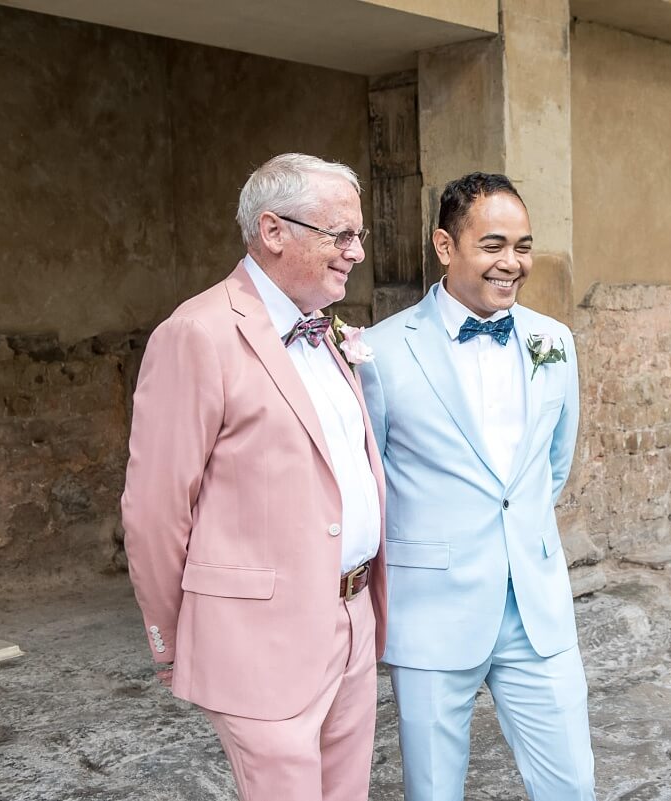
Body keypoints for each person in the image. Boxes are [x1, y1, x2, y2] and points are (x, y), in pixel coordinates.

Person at [121, 153, 388, 800]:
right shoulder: (197, 333)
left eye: (359, 236)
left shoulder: (325, 331)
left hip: (352, 621)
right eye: (340, 235)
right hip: (259, 641)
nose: (355, 251)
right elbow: (155, 512)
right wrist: (171, 636)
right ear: (273, 231)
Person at [357, 172, 595, 800]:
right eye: (492, 245)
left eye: (522, 246)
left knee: (573, 785)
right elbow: (370, 481)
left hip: (535, 610)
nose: (512, 263)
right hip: (433, 611)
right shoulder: (379, 353)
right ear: (444, 246)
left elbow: (552, 467)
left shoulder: (555, 342)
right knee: (433, 791)